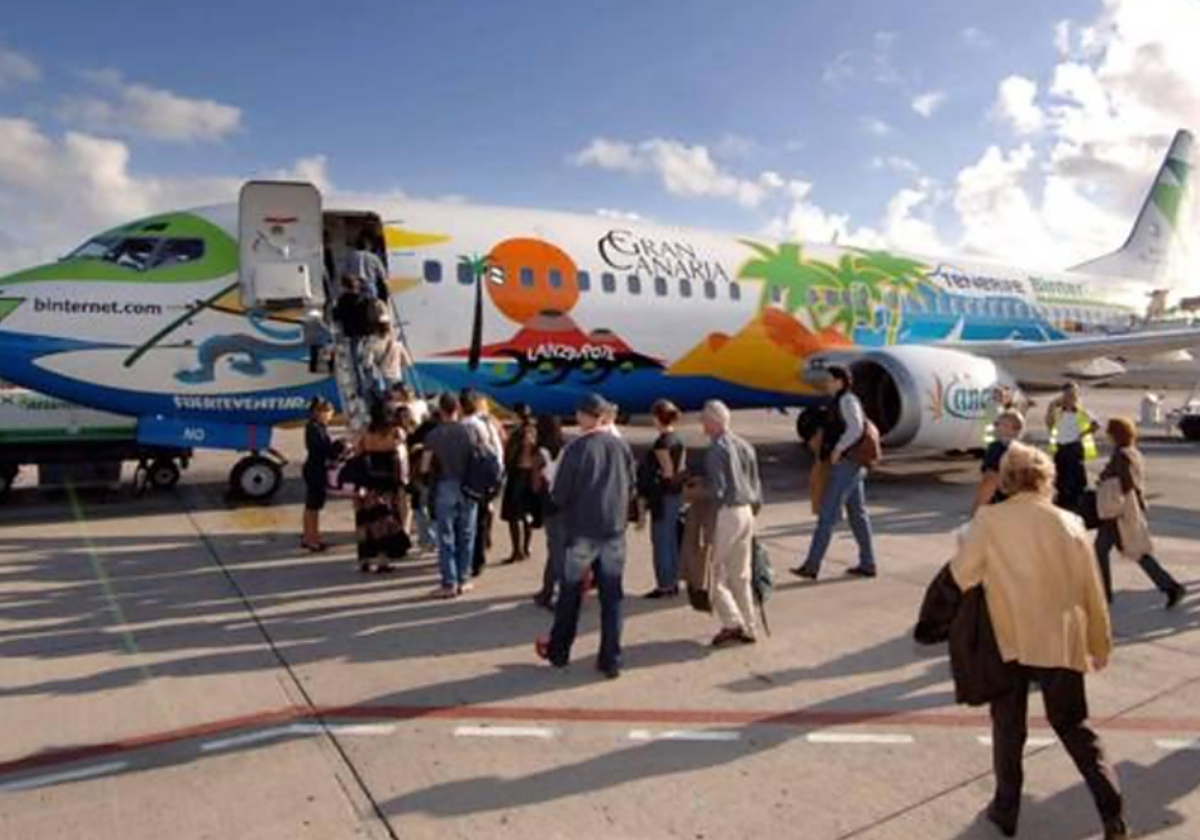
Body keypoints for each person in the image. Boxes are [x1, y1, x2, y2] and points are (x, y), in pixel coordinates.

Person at [949, 442, 1126, 839]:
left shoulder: (990, 521)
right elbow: (1091, 592)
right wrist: (1100, 644)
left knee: (1008, 728)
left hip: (1008, 637)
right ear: (1047, 479)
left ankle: (1006, 810)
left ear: (1008, 481)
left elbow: (963, 575)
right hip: (1059, 639)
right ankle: (1111, 811)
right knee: (1074, 726)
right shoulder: (1071, 523)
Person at [540, 394, 635, 678]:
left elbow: (560, 493)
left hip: (582, 529)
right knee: (612, 597)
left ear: (584, 416)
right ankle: (611, 658)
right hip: (613, 530)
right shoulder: (621, 446)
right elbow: (631, 485)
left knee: (570, 593)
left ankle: (559, 651)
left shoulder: (576, 448)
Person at [792, 366, 877, 580]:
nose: (826, 383)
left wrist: (839, 448)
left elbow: (856, 428)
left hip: (847, 464)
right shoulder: (841, 400)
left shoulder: (847, 401)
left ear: (840, 381)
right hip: (852, 465)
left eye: (830, 380)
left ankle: (812, 566)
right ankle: (868, 563)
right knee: (858, 515)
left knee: (827, 515)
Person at [1094, 417, 1186, 609]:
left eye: (1110, 432)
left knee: (1108, 550)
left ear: (1115, 434)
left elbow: (1125, 484)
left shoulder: (1121, 455)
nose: (1107, 435)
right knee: (1132, 551)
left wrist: (1104, 479)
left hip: (1118, 512)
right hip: (1127, 510)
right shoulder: (1133, 452)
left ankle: (1105, 594)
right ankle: (1169, 586)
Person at [700, 400, 764, 647]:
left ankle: (732, 622)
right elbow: (756, 485)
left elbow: (717, 491)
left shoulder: (716, 450)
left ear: (715, 421)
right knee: (741, 574)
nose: (702, 424)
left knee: (712, 574)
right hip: (747, 510)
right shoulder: (745, 445)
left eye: (705, 419)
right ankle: (750, 625)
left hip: (727, 512)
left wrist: (697, 492)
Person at [420, 393, 479, 597]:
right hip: (468, 486)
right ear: (457, 409)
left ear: (440, 410)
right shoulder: (469, 432)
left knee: (445, 536)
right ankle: (464, 579)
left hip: (445, 485)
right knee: (467, 534)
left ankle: (449, 582)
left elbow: (425, 466)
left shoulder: (434, 435)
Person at [352, 404, 409, 573]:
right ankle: (382, 560)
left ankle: (365, 559)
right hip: (388, 483)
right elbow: (402, 454)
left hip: (368, 483)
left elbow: (357, 453)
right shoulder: (396, 433)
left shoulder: (365, 433)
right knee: (385, 521)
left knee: (366, 521)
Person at [641, 399, 686, 599]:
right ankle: (674, 580)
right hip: (677, 496)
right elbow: (680, 469)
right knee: (672, 539)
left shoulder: (662, 443)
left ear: (657, 418)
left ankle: (665, 584)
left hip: (664, 497)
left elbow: (667, 472)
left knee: (661, 541)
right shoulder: (677, 438)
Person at [461, 391, 506, 577]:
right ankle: (480, 554)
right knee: (481, 517)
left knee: (471, 521)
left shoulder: (467, 425)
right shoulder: (490, 423)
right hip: (493, 472)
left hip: (474, 476)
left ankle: (473, 559)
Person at [532, 414, 568, 609]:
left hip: (550, 504)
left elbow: (536, 486)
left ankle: (557, 593)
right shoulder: (567, 448)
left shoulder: (540, 454)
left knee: (556, 549)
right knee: (558, 547)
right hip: (568, 502)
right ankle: (546, 590)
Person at [1046, 383, 1099, 513]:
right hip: (1061, 448)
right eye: (1068, 394)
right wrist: (1052, 405)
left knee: (1077, 480)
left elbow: (1096, 424)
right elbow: (1049, 423)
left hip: (1074, 448)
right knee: (1061, 479)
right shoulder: (1058, 412)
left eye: (1073, 394)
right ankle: (1063, 504)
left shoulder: (1082, 412)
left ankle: (1077, 505)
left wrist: (1083, 434)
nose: (1071, 397)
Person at [301, 397, 342, 552]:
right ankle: (313, 539)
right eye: (329, 412)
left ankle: (309, 536)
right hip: (316, 468)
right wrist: (337, 448)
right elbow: (323, 449)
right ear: (319, 412)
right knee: (314, 505)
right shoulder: (315, 428)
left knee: (311, 505)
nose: (331, 415)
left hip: (313, 467)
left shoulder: (316, 427)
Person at [500, 403, 540, 564]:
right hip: (531, 473)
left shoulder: (518, 433)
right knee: (527, 513)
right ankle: (526, 547)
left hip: (518, 473)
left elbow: (510, 455)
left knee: (513, 514)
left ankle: (517, 550)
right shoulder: (534, 430)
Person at [971, 410, 1025, 515]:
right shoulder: (1023, 450)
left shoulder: (995, 448)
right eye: (997, 424)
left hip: (998, 499)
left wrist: (978, 507)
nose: (998, 427)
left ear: (1015, 430)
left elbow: (990, 478)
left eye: (1004, 425)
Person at [361, 300, 411, 395]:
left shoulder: (371, 345)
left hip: (382, 380)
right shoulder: (397, 344)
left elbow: (367, 364)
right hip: (397, 377)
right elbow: (406, 362)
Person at [343, 233, 388, 300]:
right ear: (368, 245)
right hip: (369, 285)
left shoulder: (350, 256)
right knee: (371, 307)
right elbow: (382, 275)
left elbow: (345, 272)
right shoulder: (374, 257)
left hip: (355, 286)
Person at [332, 275, 373, 340]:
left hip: (349, 331)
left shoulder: (342, 300)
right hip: (364, 330)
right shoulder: (363, 298)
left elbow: (338, 316)